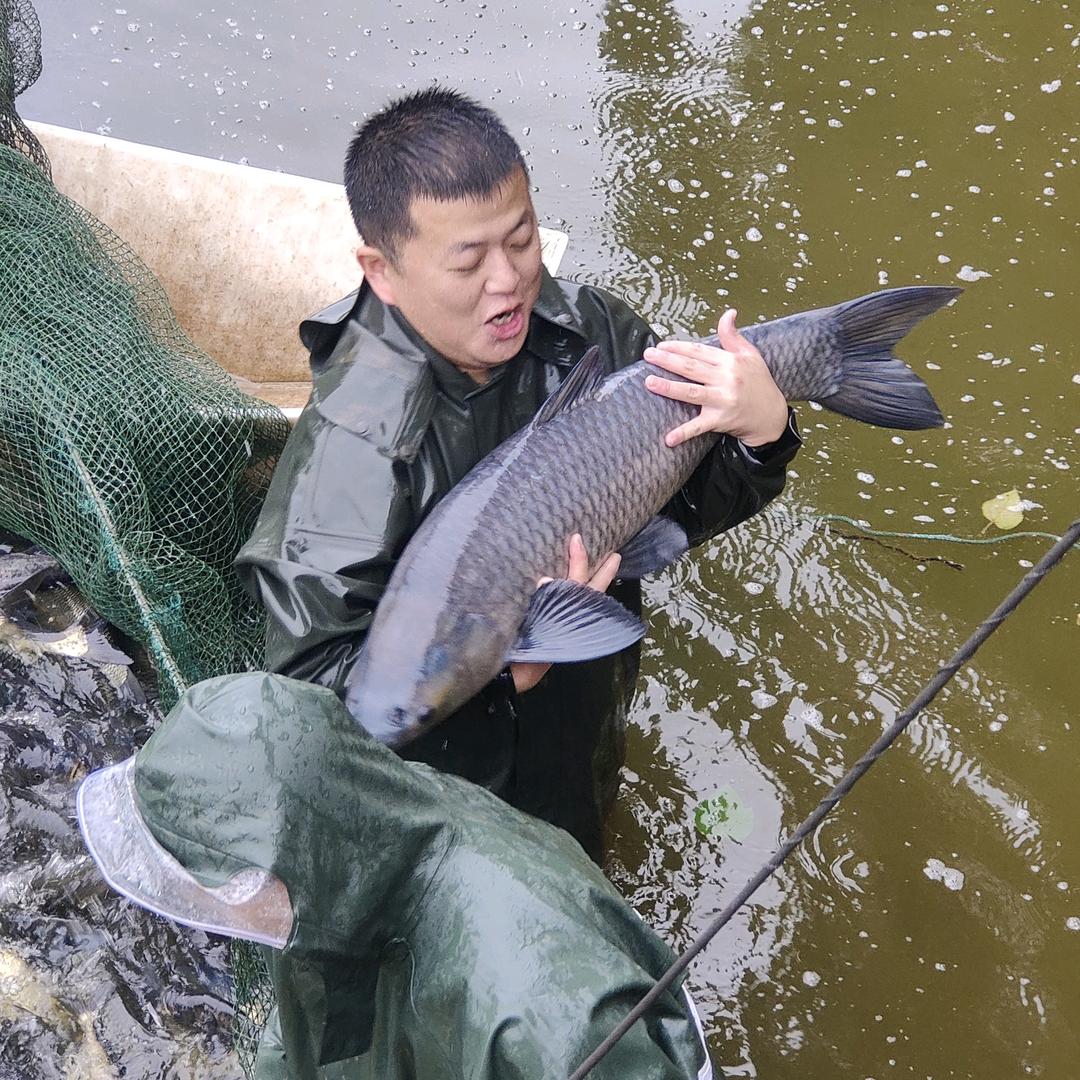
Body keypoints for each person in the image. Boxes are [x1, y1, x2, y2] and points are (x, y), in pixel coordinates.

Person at [235, 86, 800, 863]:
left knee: (587, 851)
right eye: (468, 260)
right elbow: (315, 708)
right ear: (383, 271)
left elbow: (679, 517)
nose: (508, 281)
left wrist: (760, 435)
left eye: (523, 239)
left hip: (582, 703)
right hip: (449, 793)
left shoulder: (592, 332)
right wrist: (503, 681)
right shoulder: (353, 456)